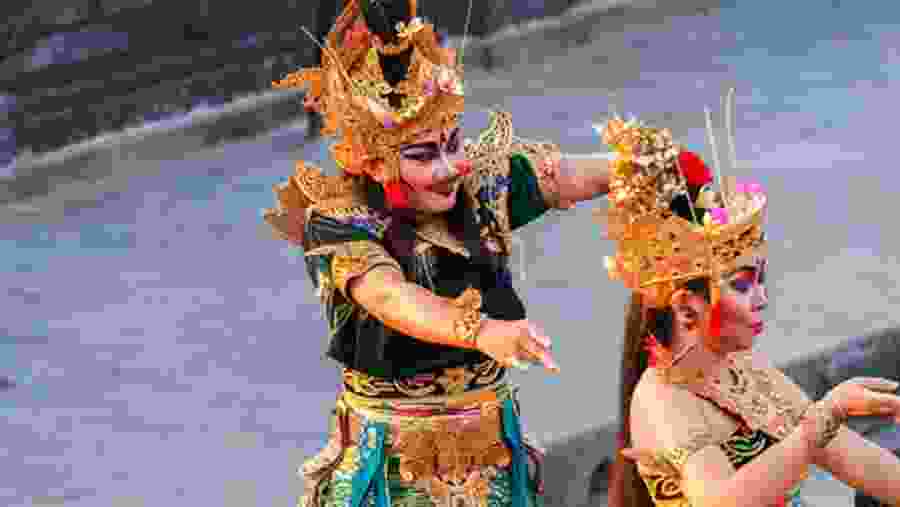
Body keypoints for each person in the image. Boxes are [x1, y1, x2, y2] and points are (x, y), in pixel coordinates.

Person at [263, 1, 613, 505]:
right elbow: (389, 296)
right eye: (424, 155)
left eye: (452, 143)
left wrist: (643, 163)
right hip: (396, 467)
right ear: (375, 162)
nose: (451, 167)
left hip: (492, 452)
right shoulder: (340, 222)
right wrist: (480, 330)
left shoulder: (477, 187)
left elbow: (563, 178)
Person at [593, 114, 900, 507]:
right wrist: (823, 419)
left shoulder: (741, 368)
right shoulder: (662, 401)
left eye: (761, 280)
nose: (762, 298)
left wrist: (824, 423)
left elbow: (852, 457)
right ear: (686, 308)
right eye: (742, 285)